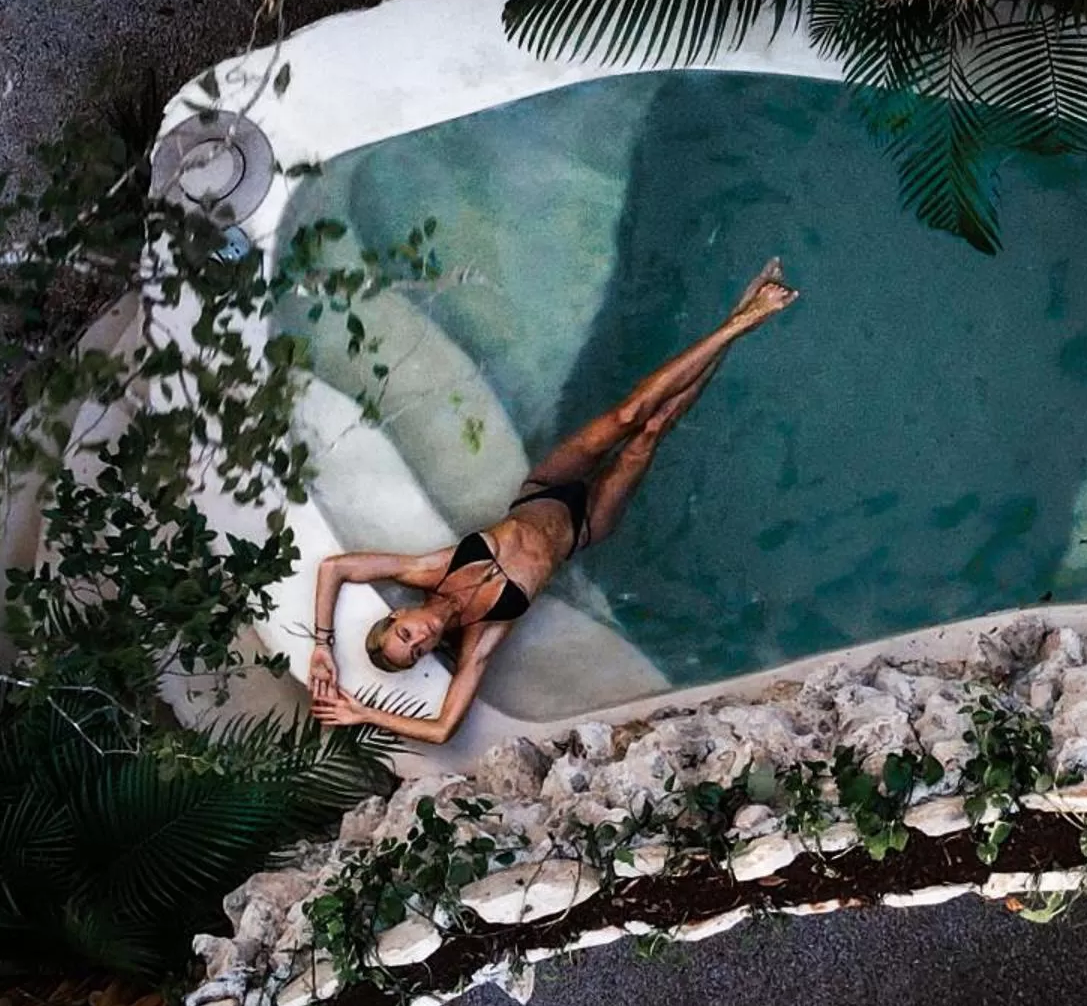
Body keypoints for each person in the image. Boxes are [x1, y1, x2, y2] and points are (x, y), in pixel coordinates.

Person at [306, 261, 797, 744]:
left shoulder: (427, 570)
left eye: (406, 635)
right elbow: (442, 729)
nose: (421, 639)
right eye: (417, 652)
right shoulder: (483, 634)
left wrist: (322, 645)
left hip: (545, 487)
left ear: (400, 617)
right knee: (652, 431)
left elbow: (335, 568)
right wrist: (361, 713)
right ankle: (739, 323)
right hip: (587, 524)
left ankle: (740, 321)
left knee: (629, 415)